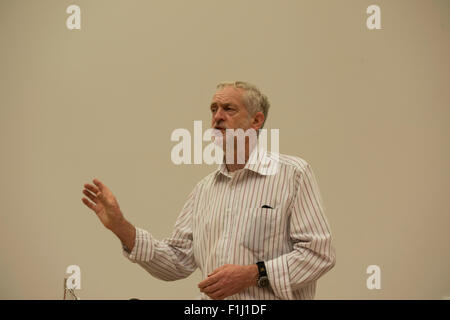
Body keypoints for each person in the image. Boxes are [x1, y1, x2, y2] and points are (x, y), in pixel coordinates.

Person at [82, 81, 336, 300]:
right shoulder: (203, 190)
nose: (217, 117)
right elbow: (177, 261)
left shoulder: (293, 174)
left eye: (229, 109)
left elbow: (318, 254)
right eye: (213, 109)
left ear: (256, 120)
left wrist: (253, 274)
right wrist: (120, 227)